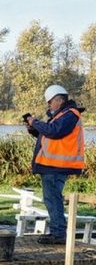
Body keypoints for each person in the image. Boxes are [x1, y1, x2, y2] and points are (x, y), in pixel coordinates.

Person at [24, 85, 85, 245]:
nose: (49, 105)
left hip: (57, 166)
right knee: (51, 198)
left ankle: (58, 233)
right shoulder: (62, 116)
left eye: (50, 102)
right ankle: (57, 232)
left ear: (59, 100)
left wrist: (35, 122)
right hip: (54, 165)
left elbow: (54, 131)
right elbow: (50, 135)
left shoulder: (70, 115)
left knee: (52, 198)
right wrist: (34, 130)